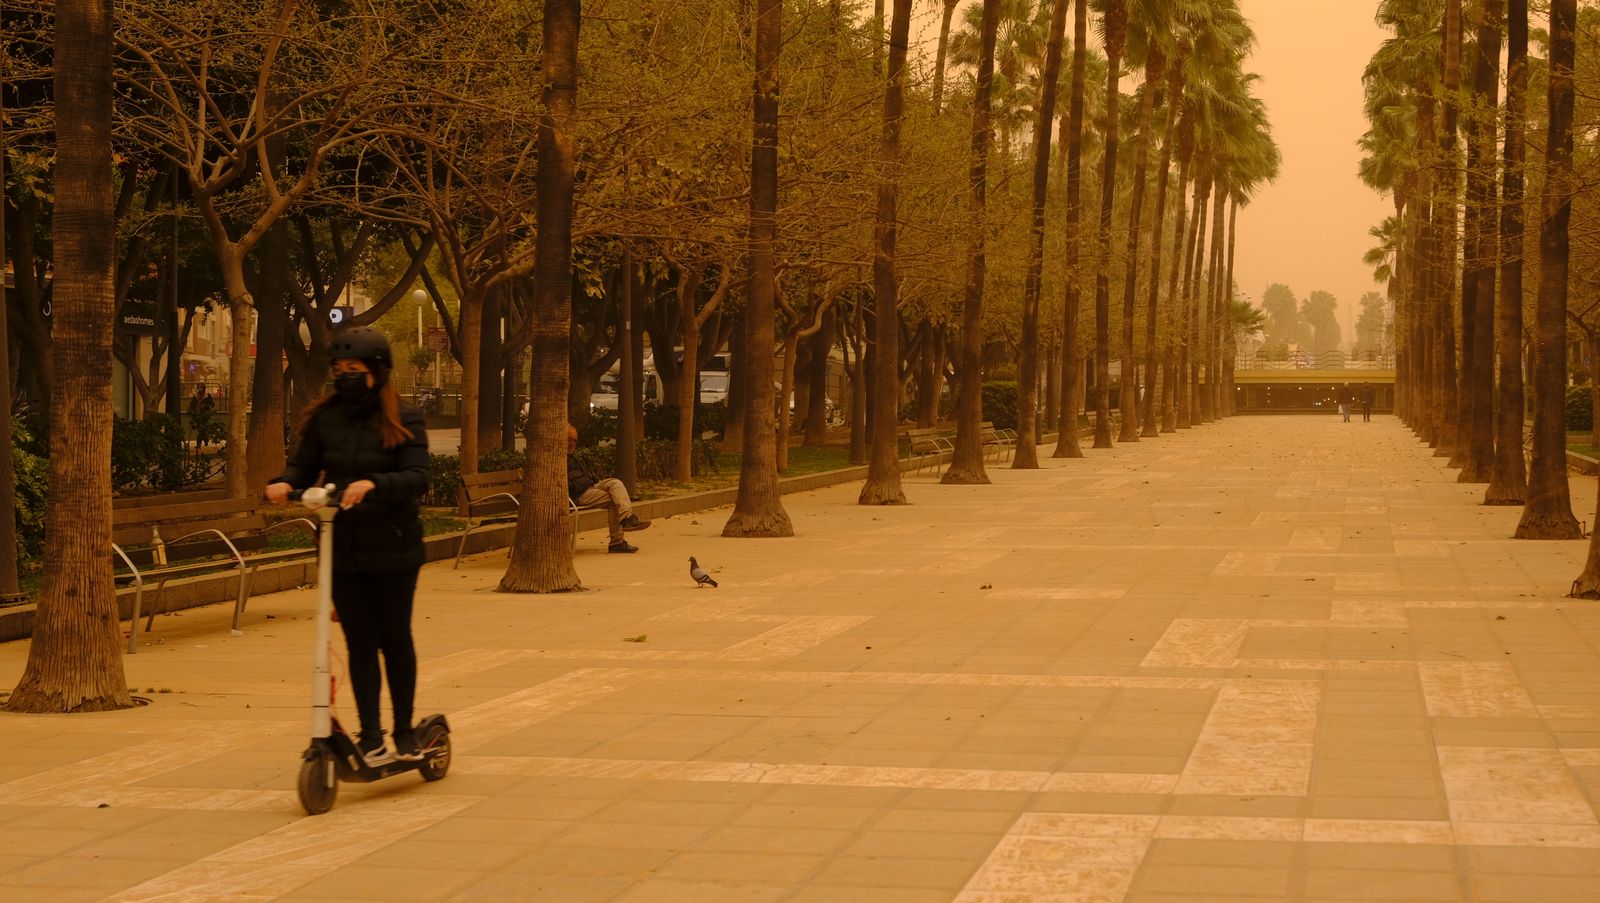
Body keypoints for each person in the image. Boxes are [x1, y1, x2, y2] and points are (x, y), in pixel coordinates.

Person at [266, 327, 430, 765]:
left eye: (354, 370)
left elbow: (418, 476)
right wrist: (285, 482)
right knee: (360, 642)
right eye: (339, 370)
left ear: (376, 371)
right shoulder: (325, 417)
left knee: (394, 639)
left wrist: (373, 483)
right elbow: (304, 464)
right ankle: (372, 734)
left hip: (394, 547)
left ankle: (405, 729)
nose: (345, 377)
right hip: (342, 549)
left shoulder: (405, 418)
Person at [568, 424, 650, 552]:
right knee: (614, 500)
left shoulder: (571, 456)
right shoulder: (557, 459)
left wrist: (590, 478)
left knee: (615, 483)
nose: (572, 443)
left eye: (574, 440)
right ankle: (618, 540)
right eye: (569, 439)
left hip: (588, 487)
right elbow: (569, 484)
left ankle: (626, 518)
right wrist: (584, 481)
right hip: (578, 494)